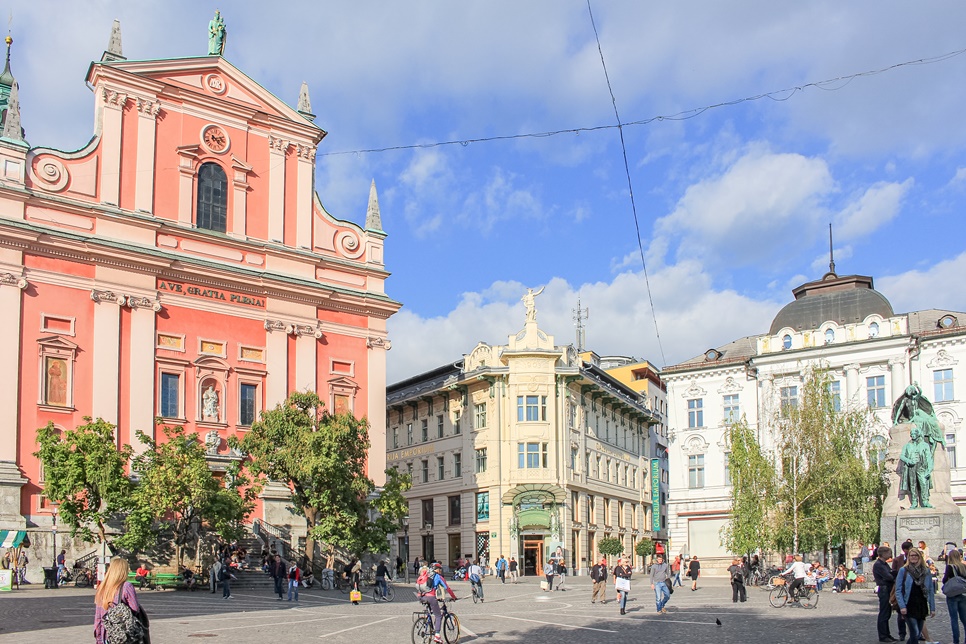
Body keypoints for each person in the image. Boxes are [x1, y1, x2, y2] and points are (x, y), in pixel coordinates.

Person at [94, 558, 144, 644]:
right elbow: (135, 609)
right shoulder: (126, 586)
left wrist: (98, 638)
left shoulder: (102, 587)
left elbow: (98, 617)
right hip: (123, 634)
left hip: (106, 634)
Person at [896, 547, 936, 644]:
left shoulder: (926, 571)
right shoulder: (903, 570)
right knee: (915, 632)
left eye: (915, 555)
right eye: (911, 555)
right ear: (908, 557)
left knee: (917, 634)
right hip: (908, 604)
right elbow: (898, 590)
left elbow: (930, 589)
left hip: (921, 604)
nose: (913, 557)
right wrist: (902, 606)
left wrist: (932, 607)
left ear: (919, 557)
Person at [417, 562, 457, 644]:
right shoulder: (438, 577)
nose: (441, 571)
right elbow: (447, 588)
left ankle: (428, 623)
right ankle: (437, 636)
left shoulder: (426, 574)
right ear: (437, 569)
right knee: (438, 616)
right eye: (440, 569)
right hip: (430, 597)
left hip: (421, 596)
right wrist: (454, 597)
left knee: (432, 610)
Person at [873, 545, 898, 643]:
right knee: (884, 613)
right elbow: (889, 576)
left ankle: (887, 634)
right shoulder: (879, 564)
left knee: (887, 613)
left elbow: (891, 573)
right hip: (884, 589)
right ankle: (883, 636)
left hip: (887, 588)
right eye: (889, 553)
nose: (890, 555)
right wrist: (894, 575)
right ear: (883, 554)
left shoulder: (884, 564)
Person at [944, 548, 966, 644]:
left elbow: (944, 580)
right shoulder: (963, 566)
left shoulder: (950, 567)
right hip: (962, 594)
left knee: (954, 619)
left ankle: (956, 641)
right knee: (964, 619)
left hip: (952, 596)